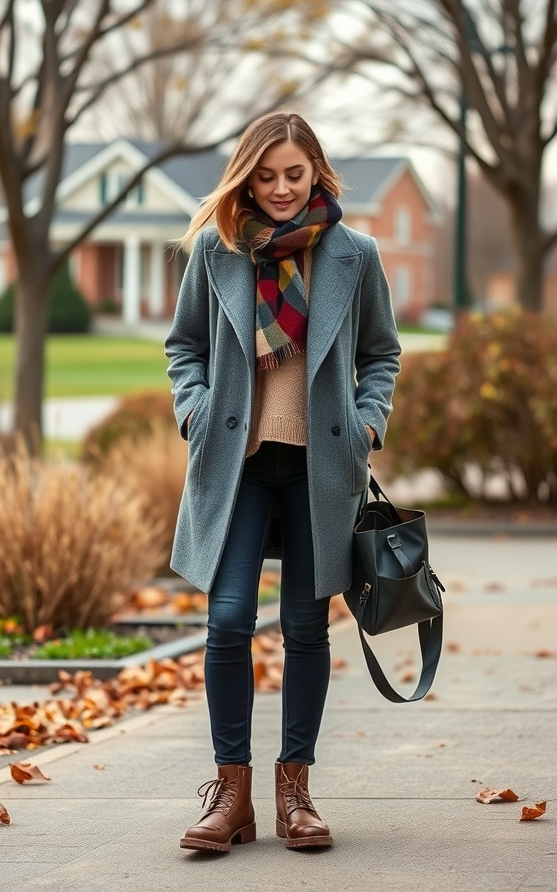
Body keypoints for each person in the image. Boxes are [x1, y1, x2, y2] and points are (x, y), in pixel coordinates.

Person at [165, 111, 401, 853]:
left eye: (293, 175)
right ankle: (230, 796)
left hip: (319, 469)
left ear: (315, 173)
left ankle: (295, 791)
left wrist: (368, 422)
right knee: (228, 619)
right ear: (246, 176)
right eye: (265, 176)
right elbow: (184, 348)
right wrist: (195, 412)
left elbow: (381, 354)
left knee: (304, 627)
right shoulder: (217, 251)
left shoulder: (354, 255)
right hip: (235, 466)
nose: (278, 189)